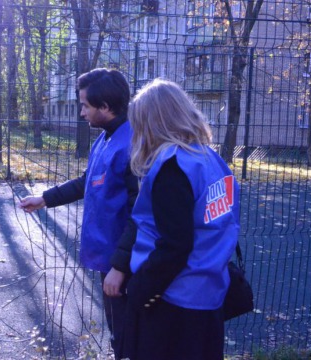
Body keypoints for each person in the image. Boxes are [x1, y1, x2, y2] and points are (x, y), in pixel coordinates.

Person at [19, 68, 138, 358]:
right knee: (119, 331)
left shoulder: (134, 144)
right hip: (111, 259)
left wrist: (120, 268)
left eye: (85, 105)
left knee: (130, 334)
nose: (81, 112)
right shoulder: (106, 138)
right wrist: (45, 199)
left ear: (105, 107)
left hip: (128, 264)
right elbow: (88, 181)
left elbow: (141, 215)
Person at [121, 78, 240, 360]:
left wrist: (141, 290)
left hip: (173, 298)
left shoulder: (172, 167)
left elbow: (175, 244)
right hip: (207, 293)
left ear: (153, 123)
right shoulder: (210, 159)